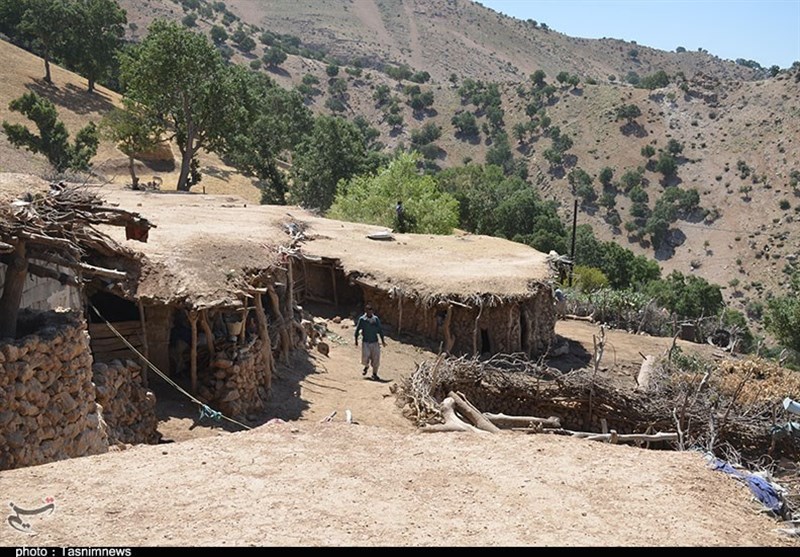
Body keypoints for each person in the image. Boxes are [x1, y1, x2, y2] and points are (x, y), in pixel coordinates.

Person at [354, 304, 386, 380]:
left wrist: (383, 341)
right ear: (366, 311)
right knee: (365, 357)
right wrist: (356, 340)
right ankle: (366, 366)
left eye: (371, 311)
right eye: (368, 311)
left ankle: (374, 374)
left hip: (375, 342)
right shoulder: (362, 320)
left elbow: (380, 330)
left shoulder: (376, 319)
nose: (370, 312)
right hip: (366, 342)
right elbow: (357, 330)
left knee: (376, 358)